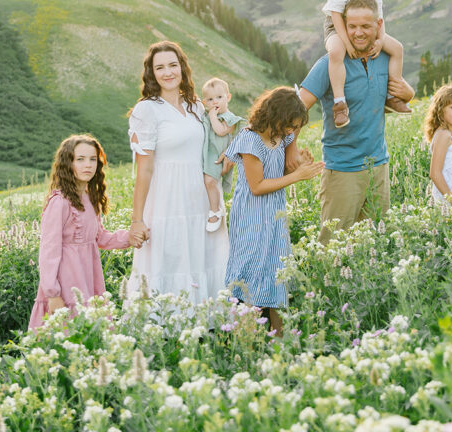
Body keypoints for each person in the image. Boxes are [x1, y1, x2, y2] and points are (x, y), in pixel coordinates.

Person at [298, 0, 415, 244]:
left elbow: (399, 95)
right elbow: (295, 109)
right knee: (333, 248)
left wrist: (410, 93)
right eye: (351, 26)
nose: (358, 33)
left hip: (378, 167)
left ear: (379, 25)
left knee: (376, 245)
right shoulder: (329, 65)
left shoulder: (386, 60)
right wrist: (290, 152)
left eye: (365, 26)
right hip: (342, 171)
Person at [126, 41, 230, 303]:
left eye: (173, 65)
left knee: (205, 257)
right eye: (159, 67)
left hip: (203, 199)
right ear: (152, 73)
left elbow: (217, 139)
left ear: (182, 68)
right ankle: (167, 329)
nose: (167, 72)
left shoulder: (197, 106)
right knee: (170, 258)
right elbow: (144, 169)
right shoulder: (146, 110)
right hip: (167, 200)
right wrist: (137, 219)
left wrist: (229, 155)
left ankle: (209, 328)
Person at [223, 87, 323, 335]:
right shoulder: (250, 139)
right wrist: (297, 177)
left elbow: (280, 175)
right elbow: (257, 186)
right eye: (289, 124)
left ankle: (281, 342)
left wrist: (301, 166)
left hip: (275, 214)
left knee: (277, 270)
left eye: (295, 126)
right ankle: (246, 343)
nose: (291, 131)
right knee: (251, 270)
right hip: (251, 215)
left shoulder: (281, 137)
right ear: (275, 115)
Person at [28, 134, 140, 329]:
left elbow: (100, 238)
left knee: (90, 332)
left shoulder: (90, 199)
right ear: (67, 163)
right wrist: (53, 294)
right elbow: (48, 252)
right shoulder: (59, 202)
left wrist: (130, 236)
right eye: (80, 159)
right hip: (66, 280)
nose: (87, 165)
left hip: (89, 275)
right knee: (67, 333)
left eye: (92, 159)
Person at [322, 0, 411, 128]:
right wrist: (346, 42)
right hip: (338, 26)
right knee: (336, 52)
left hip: (367, 29)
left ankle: (392, 95)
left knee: (397, 48)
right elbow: (336, 15)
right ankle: (340, 103)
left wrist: (380, 39)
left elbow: (379, 18)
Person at [200, 77, 245, 232]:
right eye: (210, 99)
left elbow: (221, 131)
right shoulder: (208, 115)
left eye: (219, 97)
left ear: (228, 97)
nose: (215, 102)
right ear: (205, 102)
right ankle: (210, 207)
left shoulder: (229, 118)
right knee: (205, 182)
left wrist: (212, 116)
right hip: (207, 153)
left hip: (217, 157)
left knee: (210, 181)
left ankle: (215, 210)